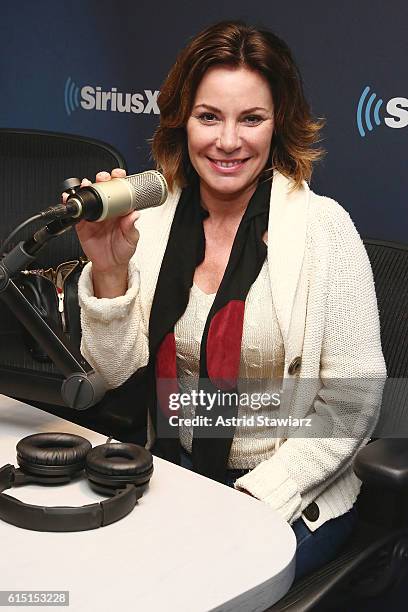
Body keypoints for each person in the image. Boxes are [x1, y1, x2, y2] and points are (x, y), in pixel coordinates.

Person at [73, 21, 386, 581]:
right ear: (182, 120)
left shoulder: (323, 230)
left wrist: (256, 496)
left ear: (279, 125)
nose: (228, 141)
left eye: (252, 119)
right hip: (175, 473)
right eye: (209, 116)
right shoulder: (156, 217)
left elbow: (353, 404)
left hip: (288, 491)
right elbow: (113, 370)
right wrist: (110, 268)